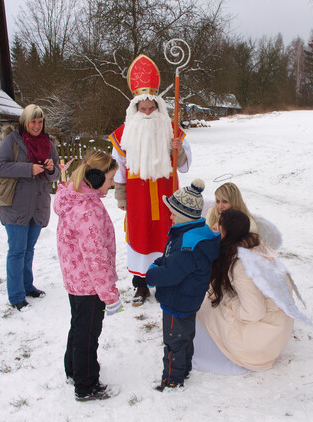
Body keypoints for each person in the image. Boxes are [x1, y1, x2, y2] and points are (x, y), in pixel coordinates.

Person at [109, 54, 192, 306]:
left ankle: (167, 283)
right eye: (142, 109)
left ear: (158, 106)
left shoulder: (171, 129)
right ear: (135, 108)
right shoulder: (123, 134)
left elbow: (186, 165)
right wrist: (121, 198)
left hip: (167, 196)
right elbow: (119, 170)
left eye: (151, 108)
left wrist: (177, 148)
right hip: (138, 198)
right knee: (140, 236)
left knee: (167, 237)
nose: (146, 113)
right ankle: (141, 286)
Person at [193, 209, 310, 375]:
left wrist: (229, 303)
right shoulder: (253, 246)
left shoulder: (241, 265)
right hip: (278, 327)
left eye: (219, 225)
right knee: (211, 299)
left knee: (204, 307)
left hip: (264, 338)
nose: (213, 226)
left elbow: (254, 311)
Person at [54, 150, 122, 401]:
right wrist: (109, 293)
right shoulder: (87, 209)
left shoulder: (75, 197)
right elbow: (96, 256)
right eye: (111, 178)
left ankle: (73, 370)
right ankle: (87, 385)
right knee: (87, 335)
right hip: (90, 284)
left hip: (76, 279)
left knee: (78, 326)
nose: (114, 183)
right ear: (95, 177)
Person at [145, 179, 220, 391]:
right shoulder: (189, 234)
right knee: (185, 336)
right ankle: (184, 368)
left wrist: (151, 274)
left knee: (174, 341)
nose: (169, 216)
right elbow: (169, 258)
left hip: (177, 300)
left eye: (172, 213)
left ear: (183, 216)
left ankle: (171, 379)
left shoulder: (188, 245)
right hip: (188, 298)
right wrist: (159, 262)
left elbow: (171, 273)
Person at [0, 104, 60, 310]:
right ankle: (16, 296)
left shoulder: (48, 143)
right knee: (17, 251)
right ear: (25, 121)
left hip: (38, 206)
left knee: (28, 249)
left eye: (40, 122)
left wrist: (50, 169)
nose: (37, 126)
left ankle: (27, 286)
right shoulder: (12, 140)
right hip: (16, 205)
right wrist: (28, 168)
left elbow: (57, 173)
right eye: (33, 122)